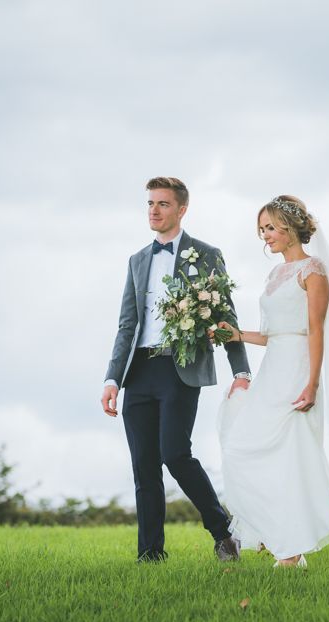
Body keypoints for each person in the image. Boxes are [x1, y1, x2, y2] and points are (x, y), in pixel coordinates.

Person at [101, 176, 251, 563]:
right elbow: (126, 325)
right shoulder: (137, 261)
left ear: (181, 209)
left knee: (175, 454)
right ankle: (150, 555)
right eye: (150, 203)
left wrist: (241, 371)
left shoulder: (206, 254)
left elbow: (225, 315)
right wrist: (112, 378)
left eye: (163, 204)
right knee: (144, 469)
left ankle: (223, 532)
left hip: (180, 368)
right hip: (140, 372)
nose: (154, 210)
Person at [215, 195, 329, 568]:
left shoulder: (313, 270)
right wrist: (238, 335)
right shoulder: (274, 274)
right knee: (241, 449)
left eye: (271, 227)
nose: (265, 236)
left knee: (291, 457)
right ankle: (278, 535)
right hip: (272, 369)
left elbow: (314, 331)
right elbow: (273, 333)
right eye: (261, 229)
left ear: (291, 227)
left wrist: (311, 384)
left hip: (297, 369)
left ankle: (291, 552)